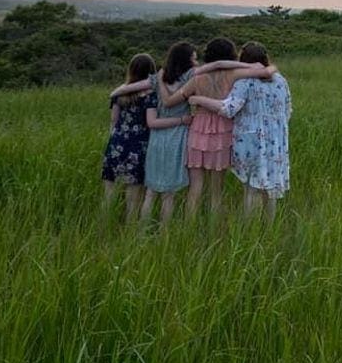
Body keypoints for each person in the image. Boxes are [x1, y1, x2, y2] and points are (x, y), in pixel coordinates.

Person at [158, 37, 273, 217]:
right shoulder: (234, 75)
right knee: (216, 192)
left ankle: (188, 230)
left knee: (195, 189)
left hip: (197, 130)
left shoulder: (197, 78)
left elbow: (170, 102)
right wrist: (238, 65)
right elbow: (264, 71)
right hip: (223, 130)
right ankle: (214, 229)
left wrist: (159, 81)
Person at [189, 42, 291, 221]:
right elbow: (288, 109)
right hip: (276, 141)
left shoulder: (244, 83)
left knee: (251, 188)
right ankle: (269, 227)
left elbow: (228, 109)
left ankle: (249, 231)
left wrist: (199, 99)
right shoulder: (280, 79)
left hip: (251, 141)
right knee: (269, 188)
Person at [139, 42, 197, 225]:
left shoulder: (158, 78)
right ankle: (165, 234)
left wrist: (116, 91)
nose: (196, 61)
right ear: (186, 59)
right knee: (168, 194)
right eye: (194, 57)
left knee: (151, 191)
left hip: (157, 137)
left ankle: (141, 232)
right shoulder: (190, 77)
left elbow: (133, 87)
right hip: (177, 136)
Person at [101, 53, 156, 224]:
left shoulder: (119, 93)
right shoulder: (151, 95)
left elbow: (114, 121)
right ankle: (130, 235)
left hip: (117, 143)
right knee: (134, 199)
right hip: (139, 146)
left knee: (109, 195)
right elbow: (150, 122)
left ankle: (103, 229)